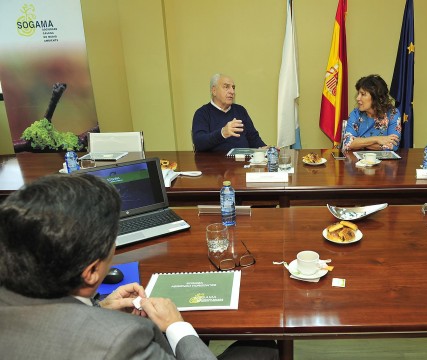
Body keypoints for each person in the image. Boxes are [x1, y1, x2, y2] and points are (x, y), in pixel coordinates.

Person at [0, 174, 278, 360]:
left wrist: (96, 309)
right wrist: (176, 325)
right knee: (263, 347)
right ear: (92, 272)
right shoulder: (120, 341)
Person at [192, 73, 266, 152]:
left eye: (233, 88)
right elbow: (199, 142)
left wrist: (265, 148)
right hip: (214, 163)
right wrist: (222, 133)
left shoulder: (240, 110)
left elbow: (253, 138)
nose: (232, 91)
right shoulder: (202, 113)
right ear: (214, 91)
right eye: (226, 87)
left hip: (243, 162)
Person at [341, 75, 401, 154]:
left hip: (384, 163)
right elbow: (347, 143)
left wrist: (359, 142)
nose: (358, 98)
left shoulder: (393, 113)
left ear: (376, 97)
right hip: (358, 163)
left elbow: (393, 145)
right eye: (358, 94)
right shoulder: (355, 114)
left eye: (363, 94)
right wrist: (377, 139)